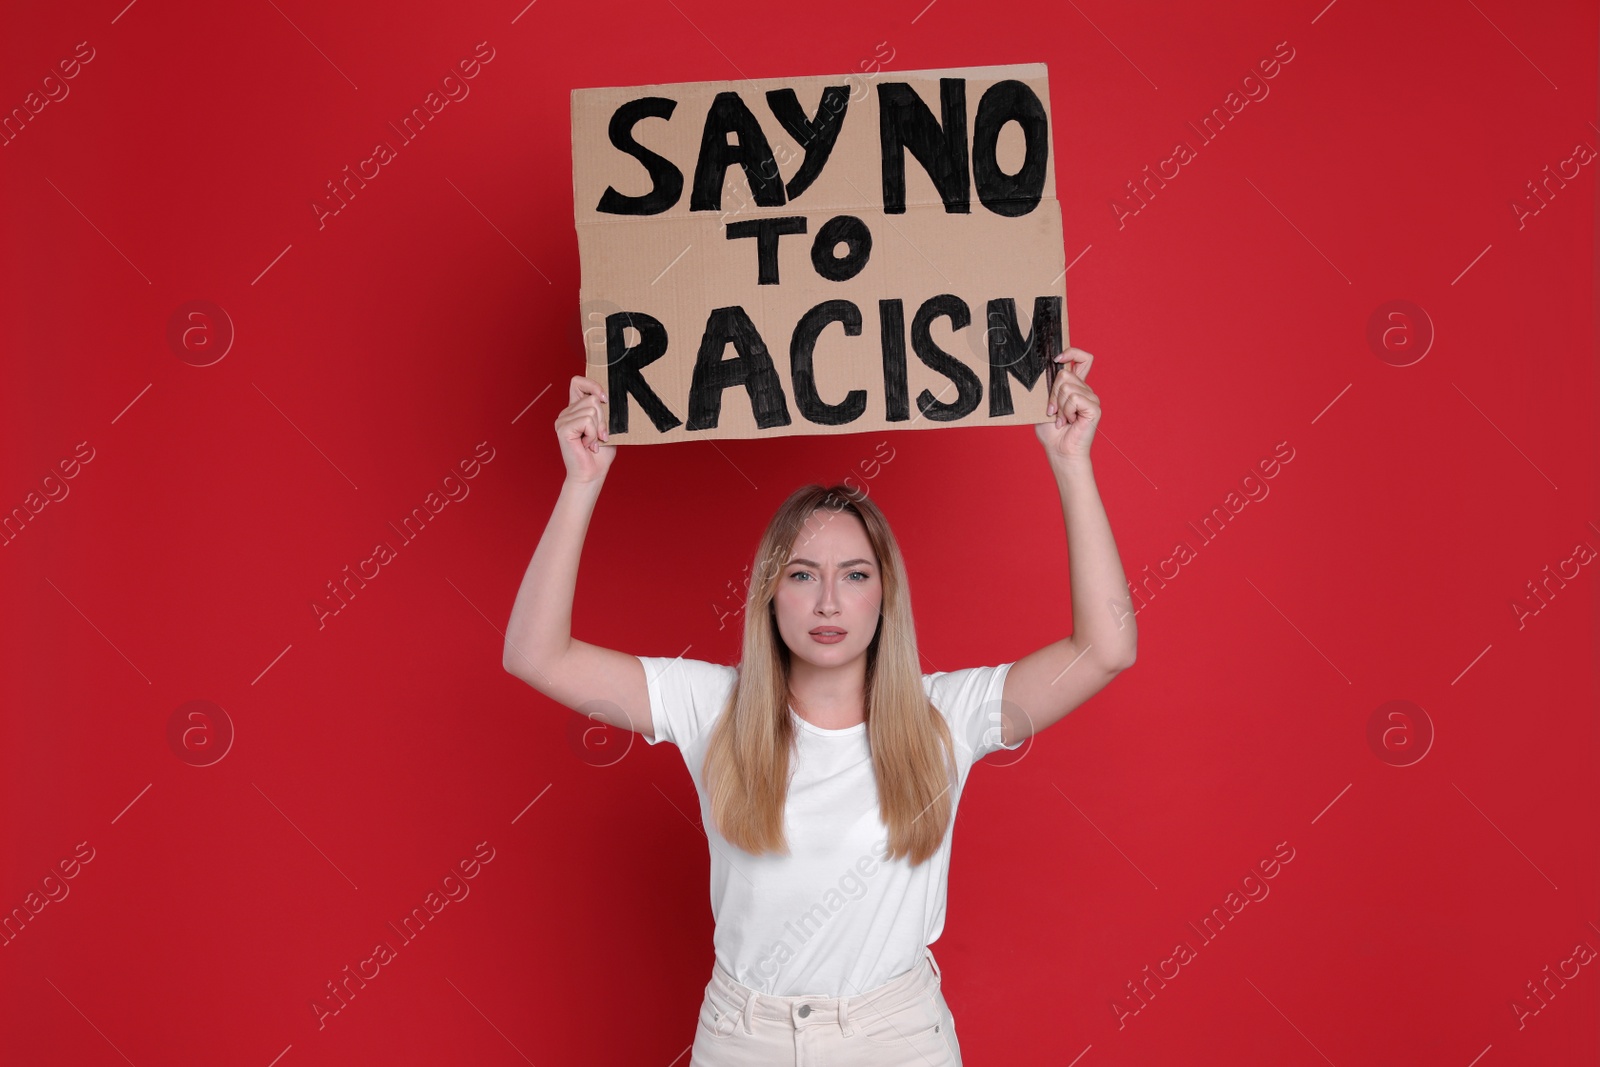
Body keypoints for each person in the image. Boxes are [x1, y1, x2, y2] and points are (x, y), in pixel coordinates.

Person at [503, 346, 1135, 1065]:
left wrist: (1072, 461)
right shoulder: (710, 703)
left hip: (897, 1036)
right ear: (770, 593)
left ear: (883, 596)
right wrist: (582, 483)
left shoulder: (944, 717)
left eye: (854, 574)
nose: (829, 600)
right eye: (803, 574)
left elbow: (1106, 647)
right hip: (746, 1038)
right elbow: (536, 654)